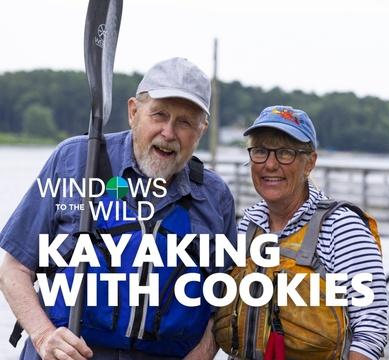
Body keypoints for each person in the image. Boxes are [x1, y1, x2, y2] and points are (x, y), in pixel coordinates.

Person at [0, 58, 237, 360]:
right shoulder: (75, 161)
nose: (168, 132)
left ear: (201, 130)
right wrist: (44, 336)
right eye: (159, 115)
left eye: (185, 122)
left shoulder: (215, 196)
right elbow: (14, 268)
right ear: (133, 112)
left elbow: (224, 300)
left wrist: (201, 355)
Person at [213, 106, 388, 360]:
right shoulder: (245, 227)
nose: (270, 164)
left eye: (285, 153)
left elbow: (370, 332)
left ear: (310, 162)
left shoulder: (342, 228)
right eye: (260, 151)